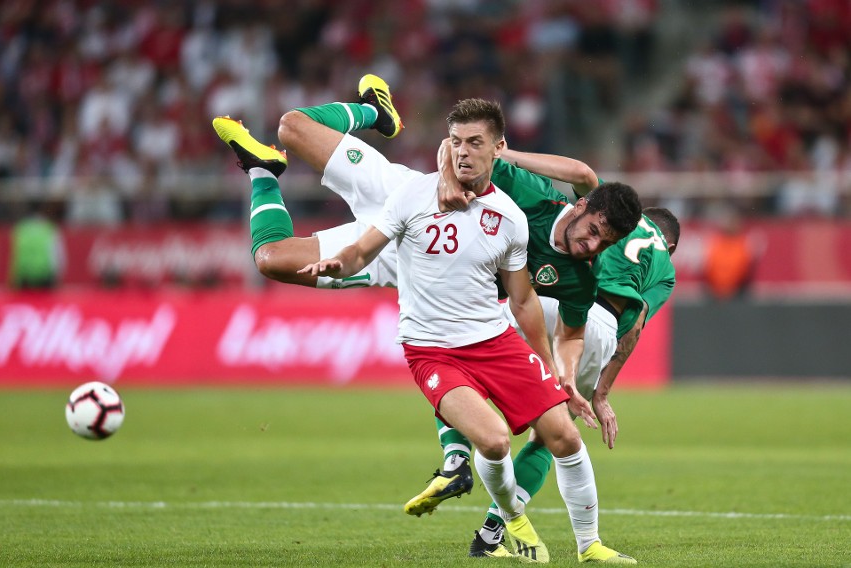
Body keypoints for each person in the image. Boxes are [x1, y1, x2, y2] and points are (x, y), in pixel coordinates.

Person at [212, 74, 642, 564]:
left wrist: (562, 374)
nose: (592, 247)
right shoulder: (529, 192)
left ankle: (262, 173)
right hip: (406, 200)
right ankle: (376, 112)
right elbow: (459, 148)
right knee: (293, 126)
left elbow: (571, 330)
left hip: (407, 261)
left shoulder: (576, 272)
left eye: (602, 245)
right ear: (581, 208)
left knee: (271, 259)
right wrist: (442, 181)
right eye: (592, 234)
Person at [426, 205, 679, 558]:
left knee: (456, 362)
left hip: (551, 300)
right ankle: (494, 532)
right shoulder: (664, 268)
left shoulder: (614, 219)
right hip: (599, 330)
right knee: (549, 438)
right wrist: (602, 395)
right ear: (669, 245)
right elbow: (633, 328)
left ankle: (455, 458)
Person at [8, 202, 66, 290]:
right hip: (44, 276)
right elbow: (57, 254)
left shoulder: (20, 228)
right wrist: (58, 275)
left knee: (25, 303)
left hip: (23, 276)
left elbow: (15, 254)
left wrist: (13, 276)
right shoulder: (49, 228)